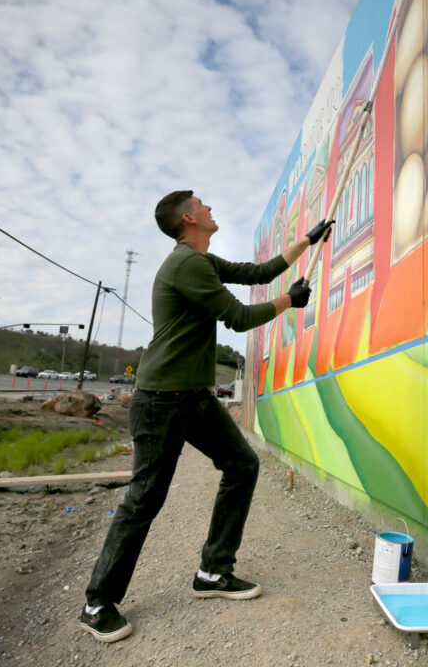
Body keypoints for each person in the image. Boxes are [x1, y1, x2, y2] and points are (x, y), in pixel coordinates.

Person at [79, 190, 334, 643]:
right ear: (190, 218)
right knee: (145, 499)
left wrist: (306, 243)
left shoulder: (204, 262)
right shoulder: (186, 264)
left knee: (241, 465)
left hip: (192, 396)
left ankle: (213, 572)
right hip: (161, 401)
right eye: (204, 204)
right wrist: (290, 304)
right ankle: (97, 603)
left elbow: (259, 272)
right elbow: (236, 317)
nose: (212, 207)